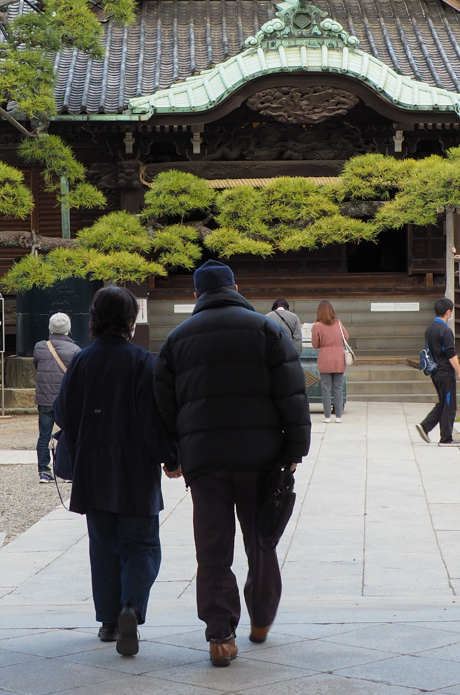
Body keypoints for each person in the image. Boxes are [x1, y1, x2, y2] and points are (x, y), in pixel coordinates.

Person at [154, 259, 311, 668]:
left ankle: (220, 636)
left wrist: (176, 452)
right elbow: (291, 394)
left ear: (196, 295)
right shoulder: (267, 329)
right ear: (235, 287)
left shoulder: (176, 339)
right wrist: (295, 450)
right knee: (260, 539)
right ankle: (260, 619)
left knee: (212, 549)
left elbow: (165, 407)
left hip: (205, 462)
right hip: (260, 456)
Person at [53, 287, 179, 657]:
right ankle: (131, 607)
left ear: (93, 318)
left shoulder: (82, 361)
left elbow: (63, 413)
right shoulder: (142, 361)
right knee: (141, 545)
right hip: (135, 466)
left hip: (93, 465)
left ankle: (109, 621)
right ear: (130, 319)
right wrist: (170, 457)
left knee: (103, 546)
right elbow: (151, 419)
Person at [33, 313, 80, 483]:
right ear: (68, 328)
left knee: (43, 435)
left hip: (45, 397)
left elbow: (36, 364)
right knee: (71, 433)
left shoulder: (39, 347)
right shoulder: (75, 350)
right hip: (66, 399)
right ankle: (70, 470)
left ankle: (44, 471)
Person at [416, 297, 460, 445]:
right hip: (446, 372)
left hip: (435, 371)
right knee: (449, 405)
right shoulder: (445, 331)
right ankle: (446, 438)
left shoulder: (429, 329)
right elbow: (451, 354)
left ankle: (426, 426)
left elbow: (428, 352)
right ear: (448, 312)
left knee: (443, 402)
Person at [309, 300, 350, 423]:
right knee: (338, 388)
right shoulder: (338, 322)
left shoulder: (317, 325)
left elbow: (315, 345)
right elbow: (346, 337)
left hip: (325, 357)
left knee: (326, 388)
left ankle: (327, 416)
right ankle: (338, 416)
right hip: (339, 357)